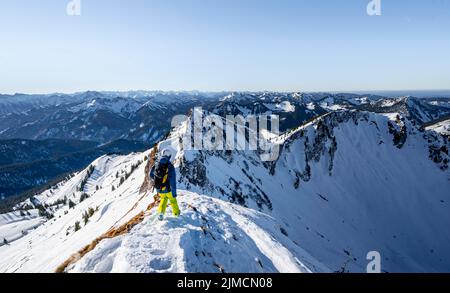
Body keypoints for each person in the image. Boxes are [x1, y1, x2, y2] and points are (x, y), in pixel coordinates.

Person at [150, 149, 180, 221]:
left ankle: (161, 213)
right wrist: (174, 193)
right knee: (173, 201)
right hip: (168, 188)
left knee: (163, 199)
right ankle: (176, 214)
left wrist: (157, 182)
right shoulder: (170, 166)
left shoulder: (157, 164)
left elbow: (151, 174)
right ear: (169, 156)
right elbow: (172, 181)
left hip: (159, 188)